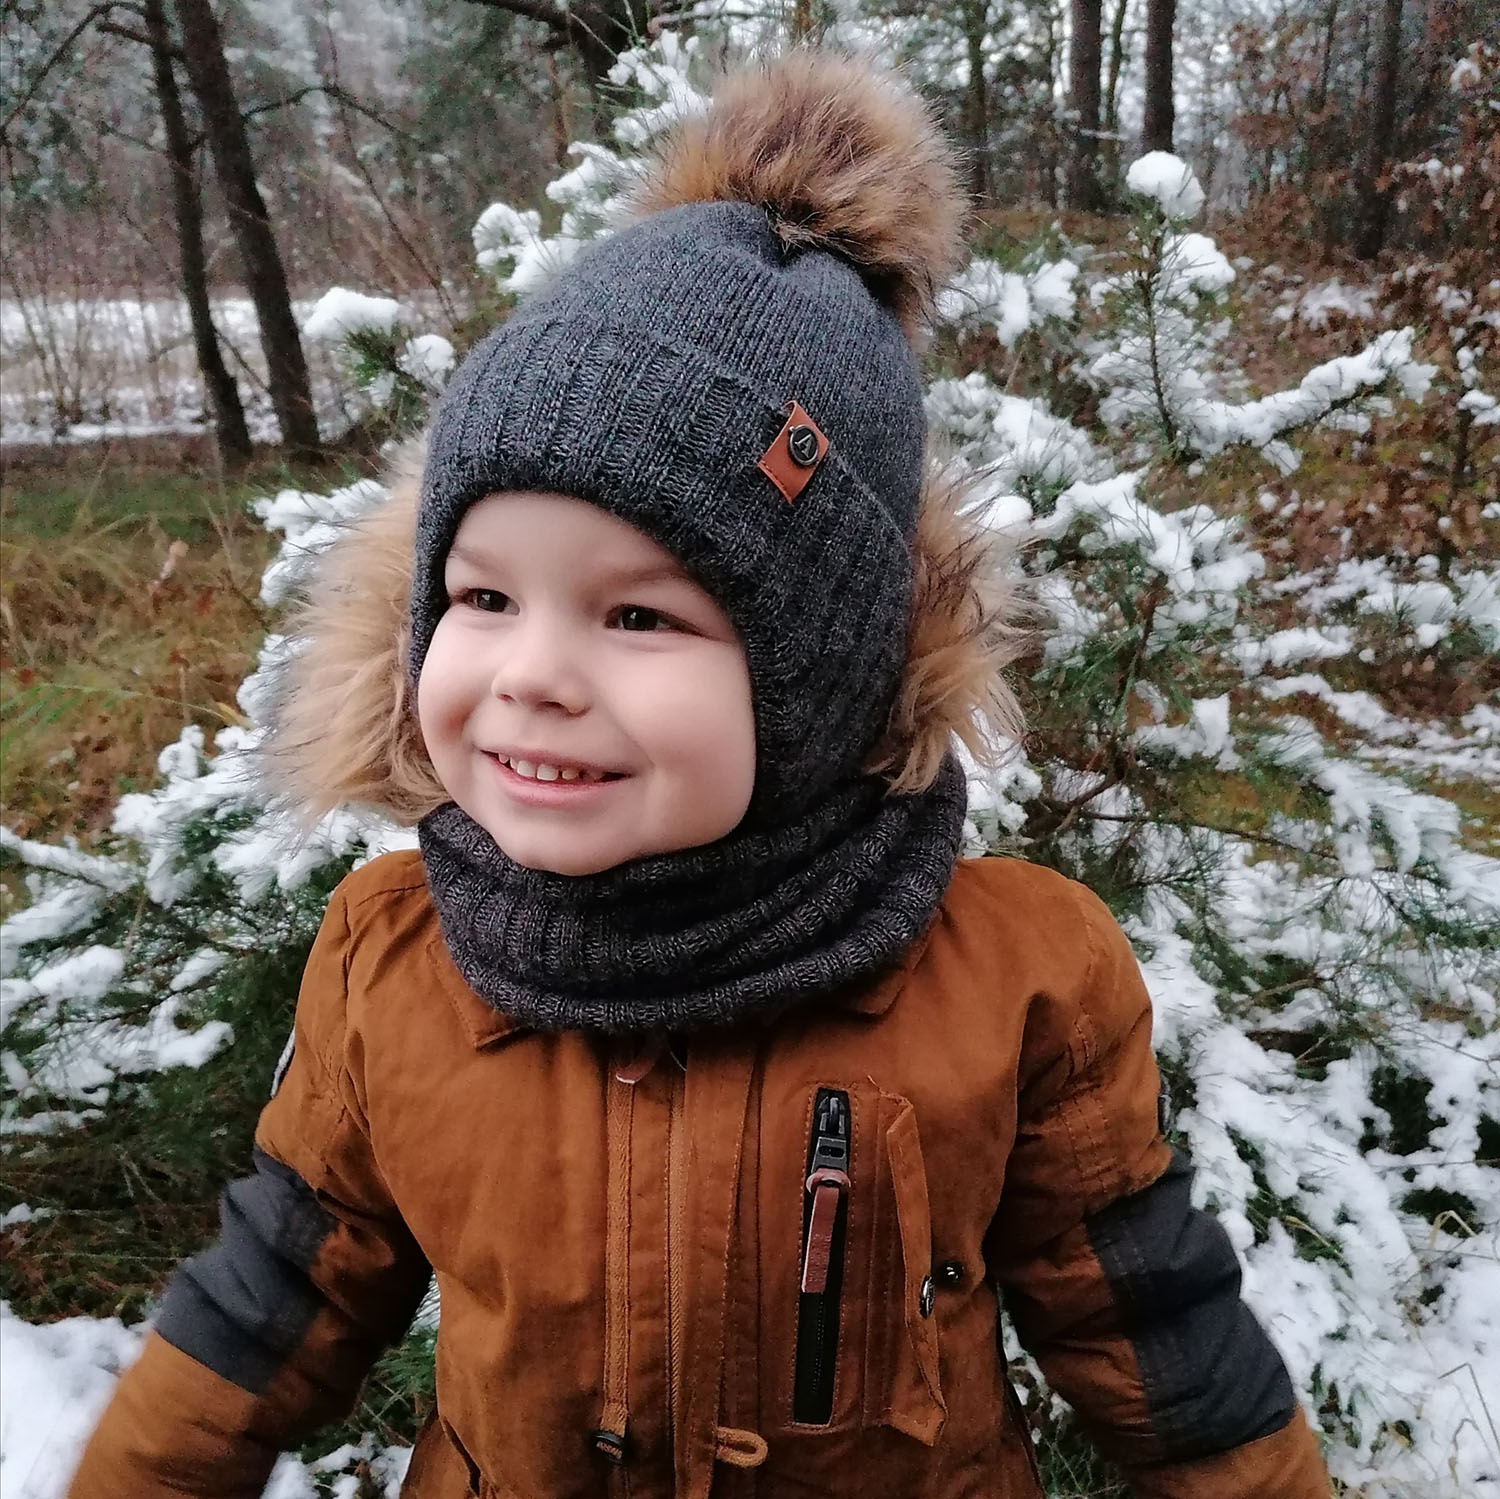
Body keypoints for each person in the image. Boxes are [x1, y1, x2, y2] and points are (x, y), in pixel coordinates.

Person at [67, 50, 1333, 1499]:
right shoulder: (392, 966)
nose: (534, 672)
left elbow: (1152, 1322)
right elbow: (273, 1297)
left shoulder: (1013, 983)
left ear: (822, 675)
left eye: (639, 614)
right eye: (482, 599)